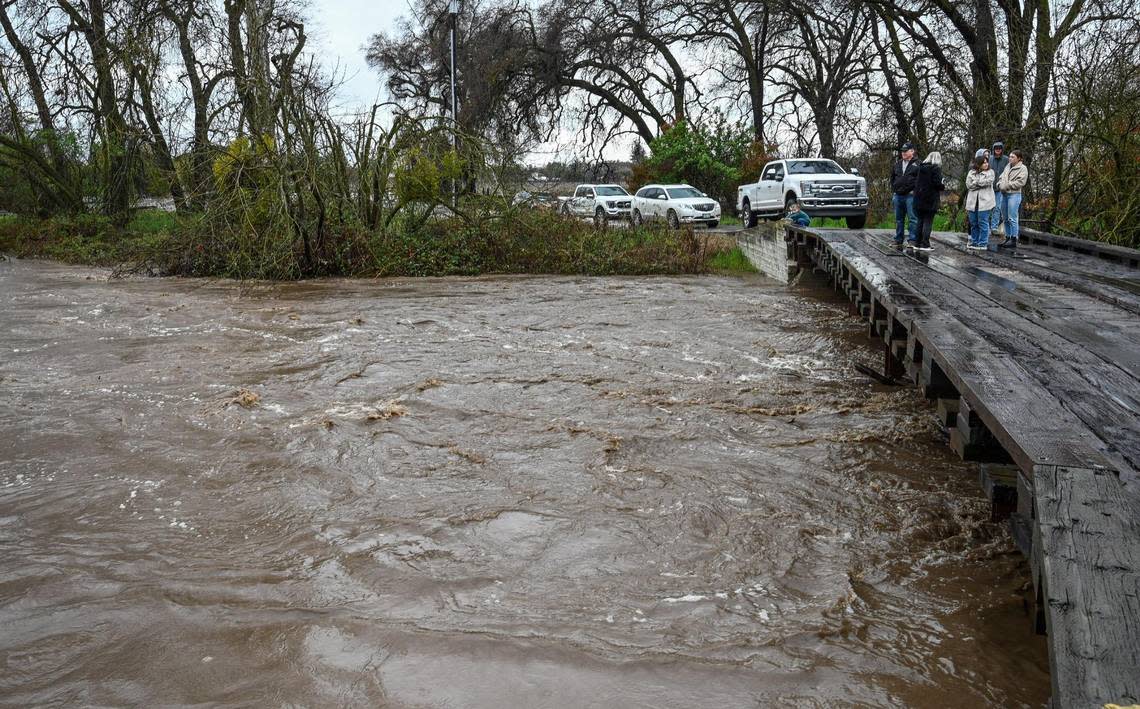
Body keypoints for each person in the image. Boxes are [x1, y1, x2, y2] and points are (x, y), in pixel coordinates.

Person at [911, 151, 944, 251]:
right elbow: (938, 184)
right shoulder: (936, 169)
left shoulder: (920, 168)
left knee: (920, 221)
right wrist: (942, 183)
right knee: (928, 222)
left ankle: (917, 243)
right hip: (930, 200)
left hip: (919, 199)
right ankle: (925, 244)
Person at [997, 149, 1028, 251]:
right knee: (1005, 217)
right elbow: (1001, 178)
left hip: (1014, 195)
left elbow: (1021, 182)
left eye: (1012, 157)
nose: (1010, 158)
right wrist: (999, 184)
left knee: (1012, 218)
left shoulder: (1023, 168)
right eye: (1010, 156)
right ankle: (1008, 237)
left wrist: (1007, 185)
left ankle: (1014, 239)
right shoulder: (1007, 166)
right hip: (1004, 194)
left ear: (1019, 158)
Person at [890, 142, 920, 245]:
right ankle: (898, 239)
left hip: (911, 196)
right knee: (899, 219)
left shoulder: (918, 164)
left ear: (912, 151)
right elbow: (892, 178)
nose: (903, 153)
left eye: (905, 151)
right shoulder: (897, 164)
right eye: (902, 151)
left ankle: (912, 239)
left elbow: (920, 181)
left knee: (912, 219)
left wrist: (915, 191)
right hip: (898, 196)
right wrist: (894, 189)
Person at [964, 154, 996, 250]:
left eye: (987, 162)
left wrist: (976, 182)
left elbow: (987, 182)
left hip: (985, 202)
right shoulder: (971, 172)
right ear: (978, 164)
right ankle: (974, 242)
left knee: (983, 222)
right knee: (974, 223)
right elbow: (969, 185)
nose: (986, 164)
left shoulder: (990, 172)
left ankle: (983, 243)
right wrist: (978, 183)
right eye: (984, 163)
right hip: (972, 202)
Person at [990, 141, 1010, 234]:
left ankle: (994, 227)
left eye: (999, 148)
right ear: (993, 150)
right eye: (996, 148)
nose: (998, 150)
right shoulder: (989, 159)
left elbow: (1009, 172)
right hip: (989, 187)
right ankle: (985, 227)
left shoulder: (1006, 159)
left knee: (997, 208)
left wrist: (1004, 184)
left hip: (1000, 188)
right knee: (986, 208)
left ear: (1002, 150)